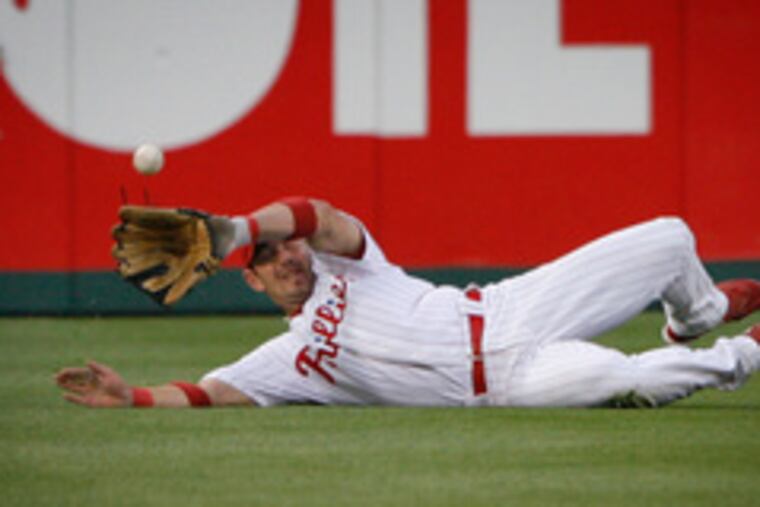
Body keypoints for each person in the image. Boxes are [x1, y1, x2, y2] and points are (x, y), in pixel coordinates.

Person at [56, 197, 760, 409]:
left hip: (512, 308)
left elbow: (316, 214)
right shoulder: (293, 359)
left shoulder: (345, 264)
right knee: (627, 381)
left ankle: (693, 315)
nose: (286, 256)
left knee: (670, 236)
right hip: (508, 386)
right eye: (264, 258)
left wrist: (237, 230)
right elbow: (209, 392)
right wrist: (132, 397)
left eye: (283, 246)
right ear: (254, 283)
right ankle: (744, 354)